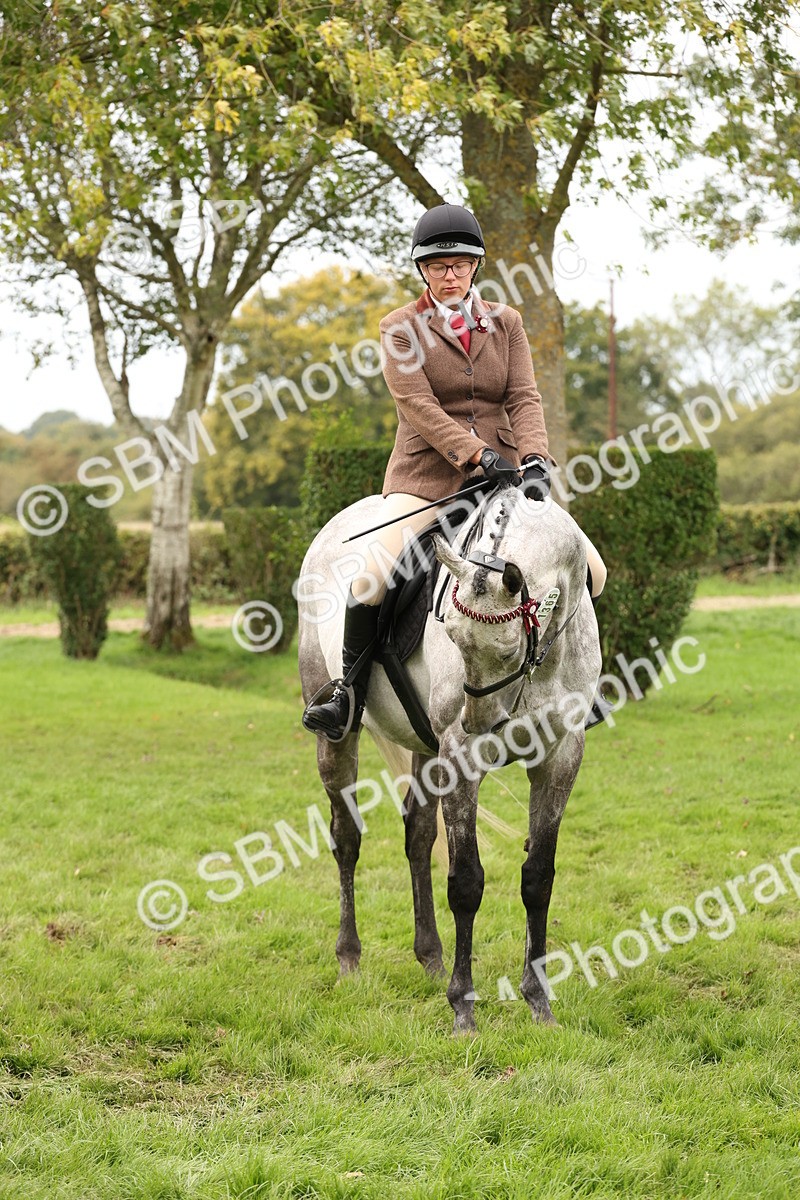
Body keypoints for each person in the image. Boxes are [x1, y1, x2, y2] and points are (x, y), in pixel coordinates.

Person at [302, 202, 608, 742]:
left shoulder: (506, 323)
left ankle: (578, 683)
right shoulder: (399, 328)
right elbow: (416, 405)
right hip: (426, 481)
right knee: (371, 579)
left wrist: (534, 458)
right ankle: (346, 692)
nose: (451, 273)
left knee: (592, 570)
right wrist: (475, 455)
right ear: (423, 269)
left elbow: (523, 396)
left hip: (505, 481)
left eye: (460, 263)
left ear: (475, 267)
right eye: (439, 264)